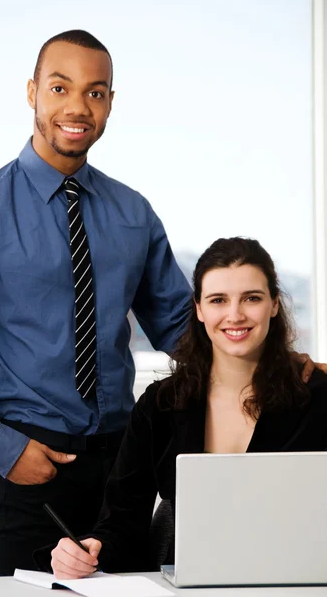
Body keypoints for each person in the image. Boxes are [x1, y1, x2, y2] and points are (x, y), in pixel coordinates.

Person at [0, 30, 192, 576]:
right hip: (27, 464)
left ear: (111, 104)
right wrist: (3, 449)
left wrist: (284, 369)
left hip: (120, 468)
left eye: (96, 93)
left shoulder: (133, 213)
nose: (77, 106)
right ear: (32, 92)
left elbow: (183, 331)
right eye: (59, 87)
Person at [49, 237, 327, 578]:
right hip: (192, 582)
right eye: (218, 300)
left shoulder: (318, 396)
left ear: (273, 304)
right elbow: (121, 520)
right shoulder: (160, 406)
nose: (234, 315)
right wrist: (90, 548)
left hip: (303, 580)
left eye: (251, 298)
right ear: (198, 308)